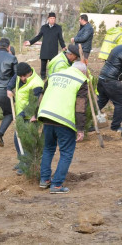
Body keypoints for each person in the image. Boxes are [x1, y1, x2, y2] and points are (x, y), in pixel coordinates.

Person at [36, 62, 88, 193]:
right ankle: (57, 185)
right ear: (83, 72)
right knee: (66, 153)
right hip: (64, 120)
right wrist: (80, 129)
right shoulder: (81, 80)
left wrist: (35, 113)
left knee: (48, 149)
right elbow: (80, 107)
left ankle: (45, 180)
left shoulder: (54, 75)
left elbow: (42, 96)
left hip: (47, 116)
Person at [7, 62, 44, 175]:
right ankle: (22, 160)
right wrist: (9, 88)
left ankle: (27, 164)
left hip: (30, 115)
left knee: (27, 140)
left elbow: (33, 104)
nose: (22, 78)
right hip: (20, 113)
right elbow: (14, 79)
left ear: (30, 73)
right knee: (17, 138)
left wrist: (21, 116)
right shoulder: (19, 75)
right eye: (21, 76)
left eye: (25, 76)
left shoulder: (37, 83)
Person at [24, 12, 66, 79]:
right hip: (45, 49)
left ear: (55, 19)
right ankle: (43, 77)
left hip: (53, 50)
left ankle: (52, 77)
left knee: (53, 65)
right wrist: (30, 42)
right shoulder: (44, 27)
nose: (52, 20)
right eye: (51, 18)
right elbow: (38, 37)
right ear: (48, 19)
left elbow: (60, 39)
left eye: (53, 18)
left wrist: (63, 46)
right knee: (43, 65)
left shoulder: (58, 28)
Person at [97, 45, 122, 134]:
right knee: (120, 103)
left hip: (102, 77)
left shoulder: (118, 48)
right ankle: (115, 127)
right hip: (111, 81)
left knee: (101, 101)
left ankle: (87, 120)